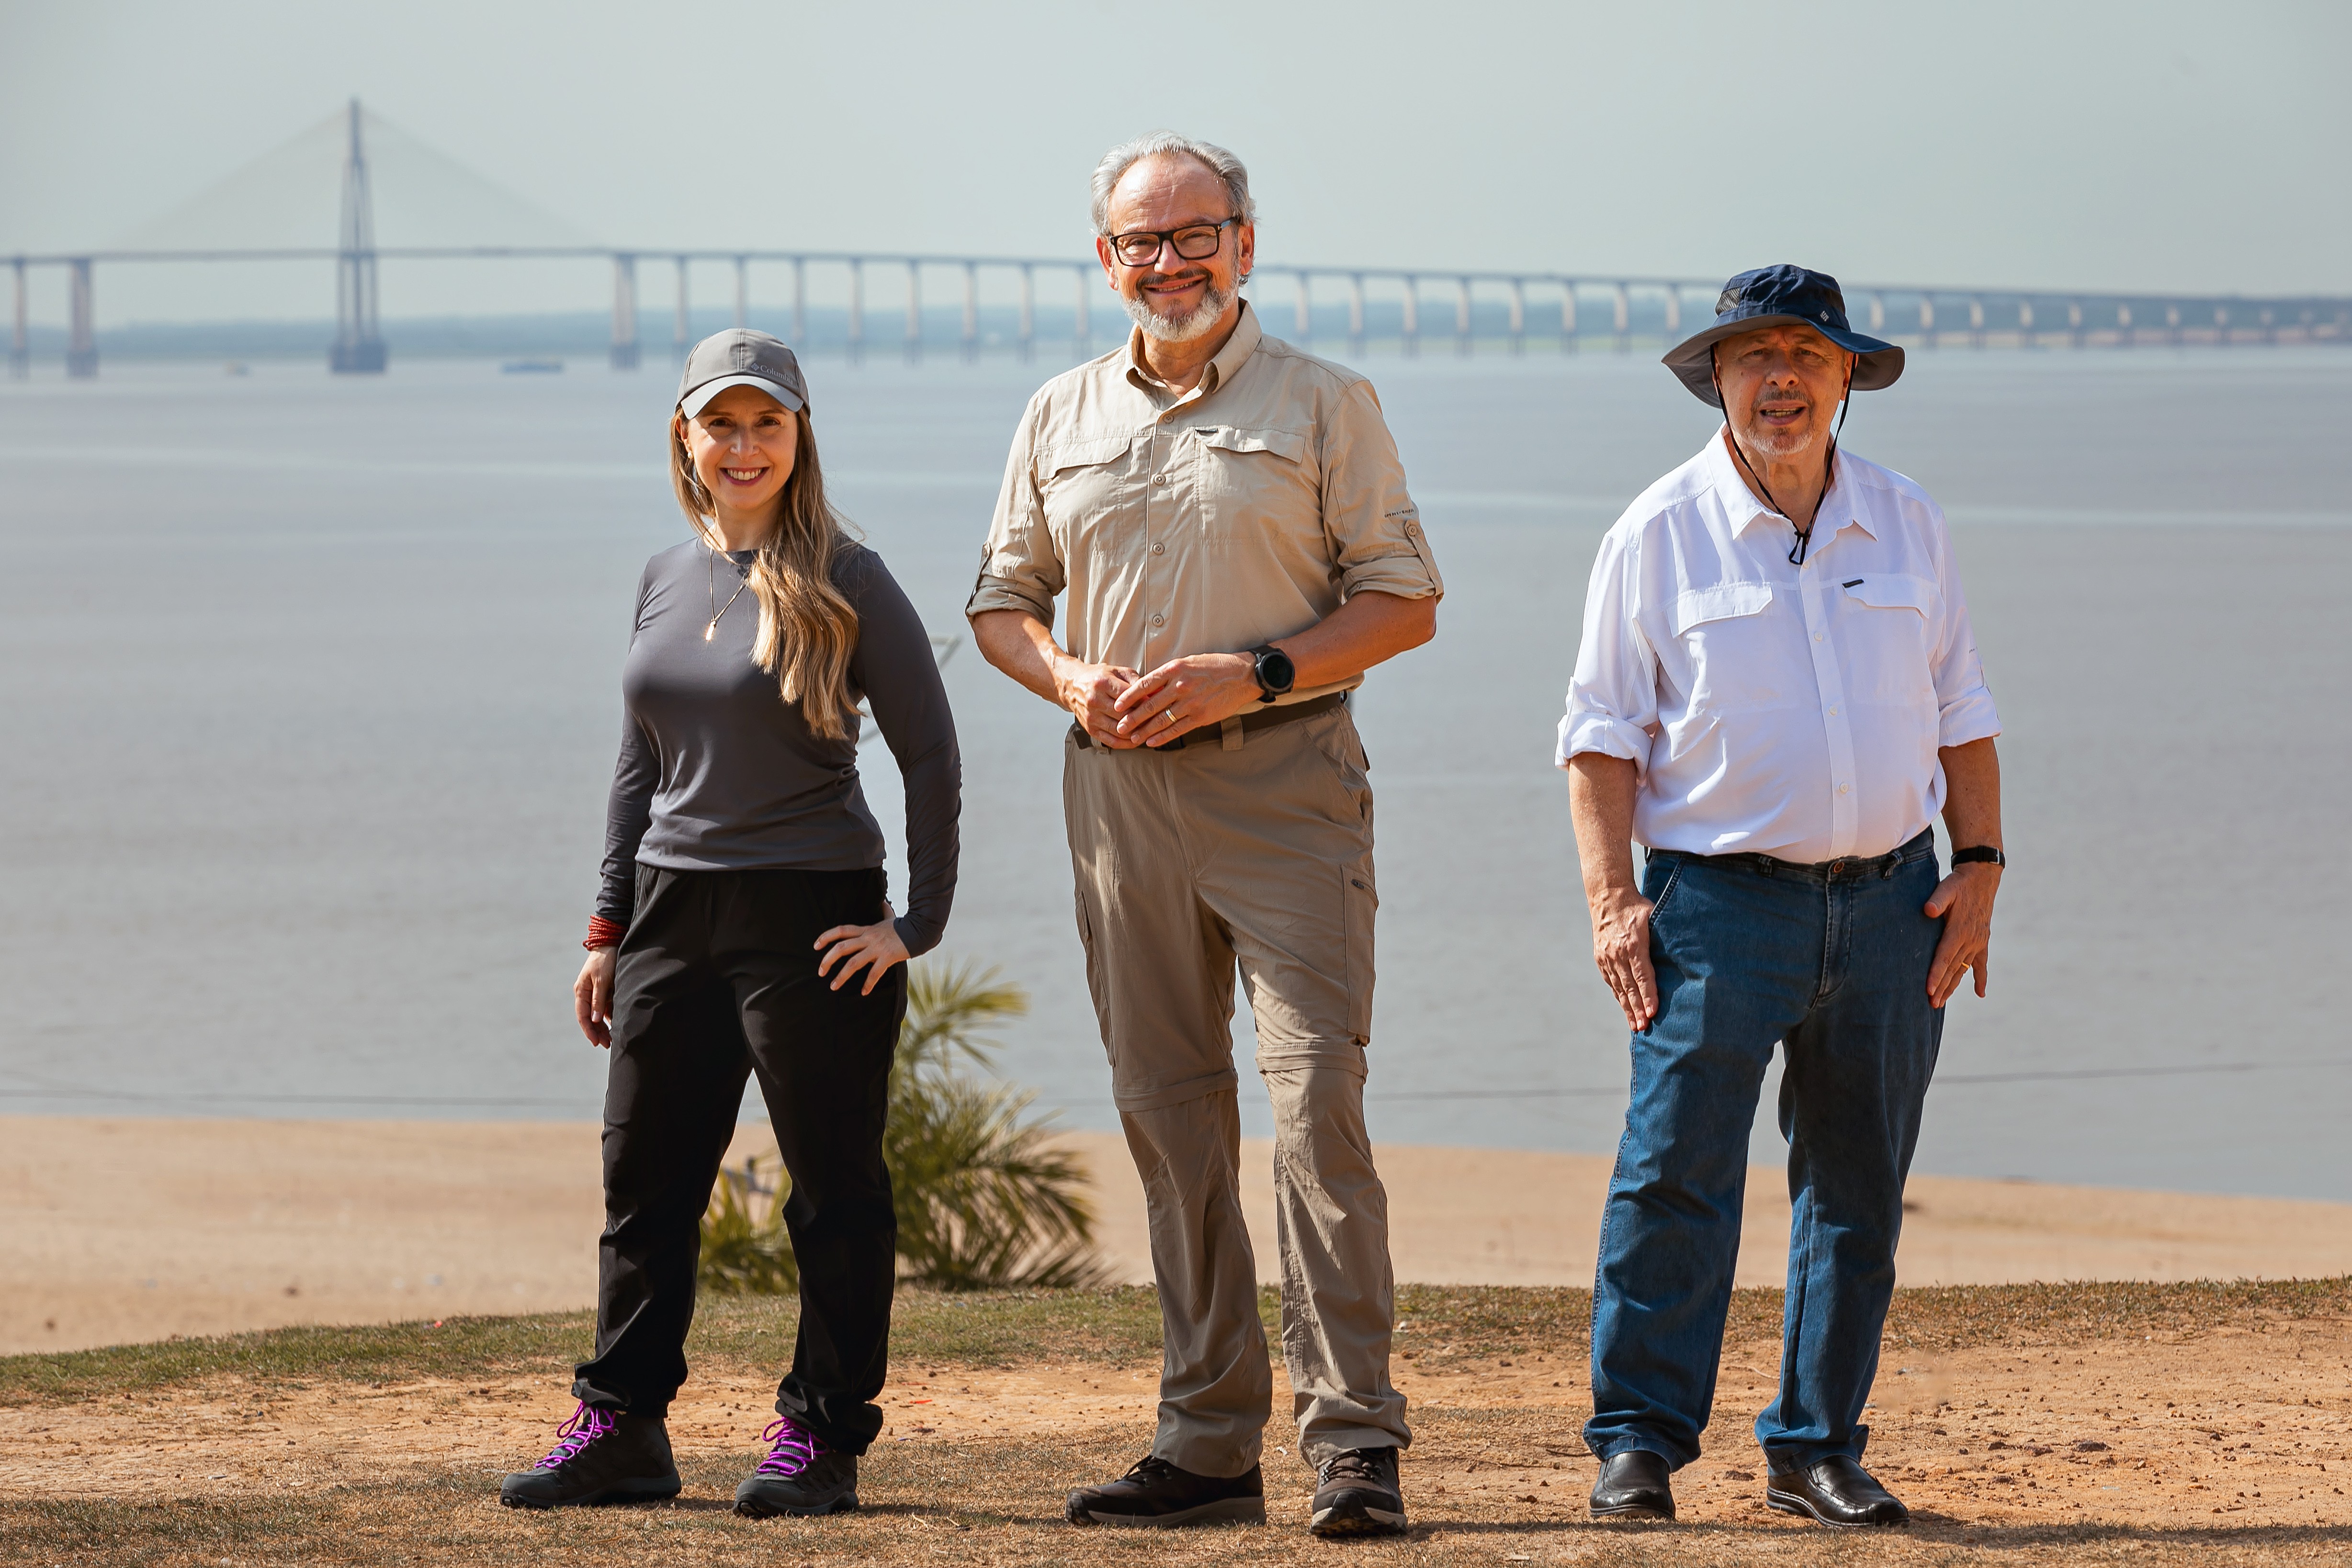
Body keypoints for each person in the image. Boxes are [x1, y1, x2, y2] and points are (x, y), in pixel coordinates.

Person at [968, 132, 1442, 1538]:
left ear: (1246, 241)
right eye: (1139, 241)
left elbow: (1406, 600)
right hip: (1118, 802)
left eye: (1194, 234)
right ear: (1104, 259)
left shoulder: (1325, 402)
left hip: (1289, 789)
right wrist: (1065, 675)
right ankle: (1207, 1440)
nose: (1166, 262)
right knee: (1172, 1122)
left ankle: (1354, 1440)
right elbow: (1001, 600)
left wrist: (1263, 672)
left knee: (1315, 1116)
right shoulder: (1057, 413)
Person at [1560, 265, 2003, 1528]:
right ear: (1719, 380)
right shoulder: (1654, 533)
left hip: (1891, 905)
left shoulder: (1909, 522)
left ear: (1850, 373)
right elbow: (1599, 736)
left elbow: (1964, 706)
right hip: (1714, 908)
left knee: (1858, 1184)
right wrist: (1610, 901)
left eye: (1806, 352)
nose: (1781, 378)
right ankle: (1639, 1444)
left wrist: (1980, 869)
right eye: (1753, 355)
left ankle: (1816, 1445)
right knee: (1673, 1178)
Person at [499, 329, 960, 1518]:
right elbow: (635, 764)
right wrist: (607, 929)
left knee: (833, 1191)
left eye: (766, 423)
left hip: (812, 917)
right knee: (643, 1183)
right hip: (670, 911)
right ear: (685, 437)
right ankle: (621, 1431)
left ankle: (820, 1437)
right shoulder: (664, 572)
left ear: (799, 435)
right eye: (721, 424)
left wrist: (914, 924)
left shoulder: (850, 577)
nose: (742, 446)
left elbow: (932, 756)